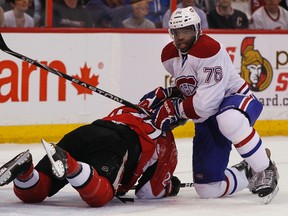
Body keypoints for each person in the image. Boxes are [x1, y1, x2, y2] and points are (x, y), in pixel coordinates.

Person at [139, 6, 279, 203]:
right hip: (208, 116)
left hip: (235, 100)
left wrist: (177, 110)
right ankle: (246, 174)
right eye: (176, 32)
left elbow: (206, 104)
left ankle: (265, 168)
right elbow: (191, 87)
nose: (180, 37)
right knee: (208, 189)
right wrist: (170, 95)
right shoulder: (169, 56)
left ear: (198, 30)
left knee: (228, 119)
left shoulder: (208, 49)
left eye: (186, 31)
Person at [0, 105, 181, 207]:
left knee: (37, 191)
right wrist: (170, 186)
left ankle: (25, 172)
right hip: (114, 144)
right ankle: (71, 166)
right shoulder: (166, 141)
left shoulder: (127, 109)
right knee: (101, 195)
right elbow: (149, 192)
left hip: (84, 132)